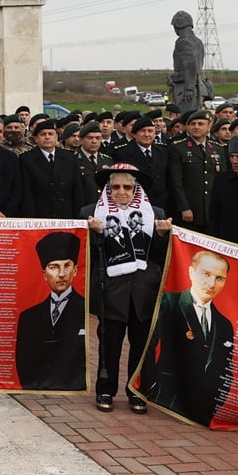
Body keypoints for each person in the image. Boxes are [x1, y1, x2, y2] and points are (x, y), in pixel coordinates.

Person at [84, 163, 171, 414]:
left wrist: (164, 237)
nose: (121, 192)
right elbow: (86, 256)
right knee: (108, 344)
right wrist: (96, 235)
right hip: (111, 290)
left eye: (127, 187)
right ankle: (105, 389)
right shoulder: (90, 213)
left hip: (143, 290)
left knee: (141, 344)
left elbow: (160, 257)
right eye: (115, 187)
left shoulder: (155, 213)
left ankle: (137, 391)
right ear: (108, 190)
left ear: (136, 190)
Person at [141, 251, 234, 426]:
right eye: (206, 274)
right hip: (167, 398)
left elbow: (226, 368)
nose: (212, 284)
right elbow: (149, 346)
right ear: (191, 272)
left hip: (205, 409)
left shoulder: (224, 324)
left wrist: (216, 402)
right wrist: (151, 387)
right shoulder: (169, 302)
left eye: (220, 278)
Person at [15, 233, 86, 391]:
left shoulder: (85, 308)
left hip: (71, 383)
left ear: (75, 270)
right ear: (44, 274)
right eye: (54, 267)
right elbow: (23, 359)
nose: (61, 274)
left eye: (67, 266)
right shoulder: (28, 317)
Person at [19, 119, 84, 219]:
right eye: (43, 134)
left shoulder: (69, 157)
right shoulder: (26, 159)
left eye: (50, 134)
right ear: (36, 138)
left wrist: (78, 217)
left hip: (66, 215)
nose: (47, 137)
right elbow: (26, 195)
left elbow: (77, 190)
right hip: (40, 217)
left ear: (57, 137)